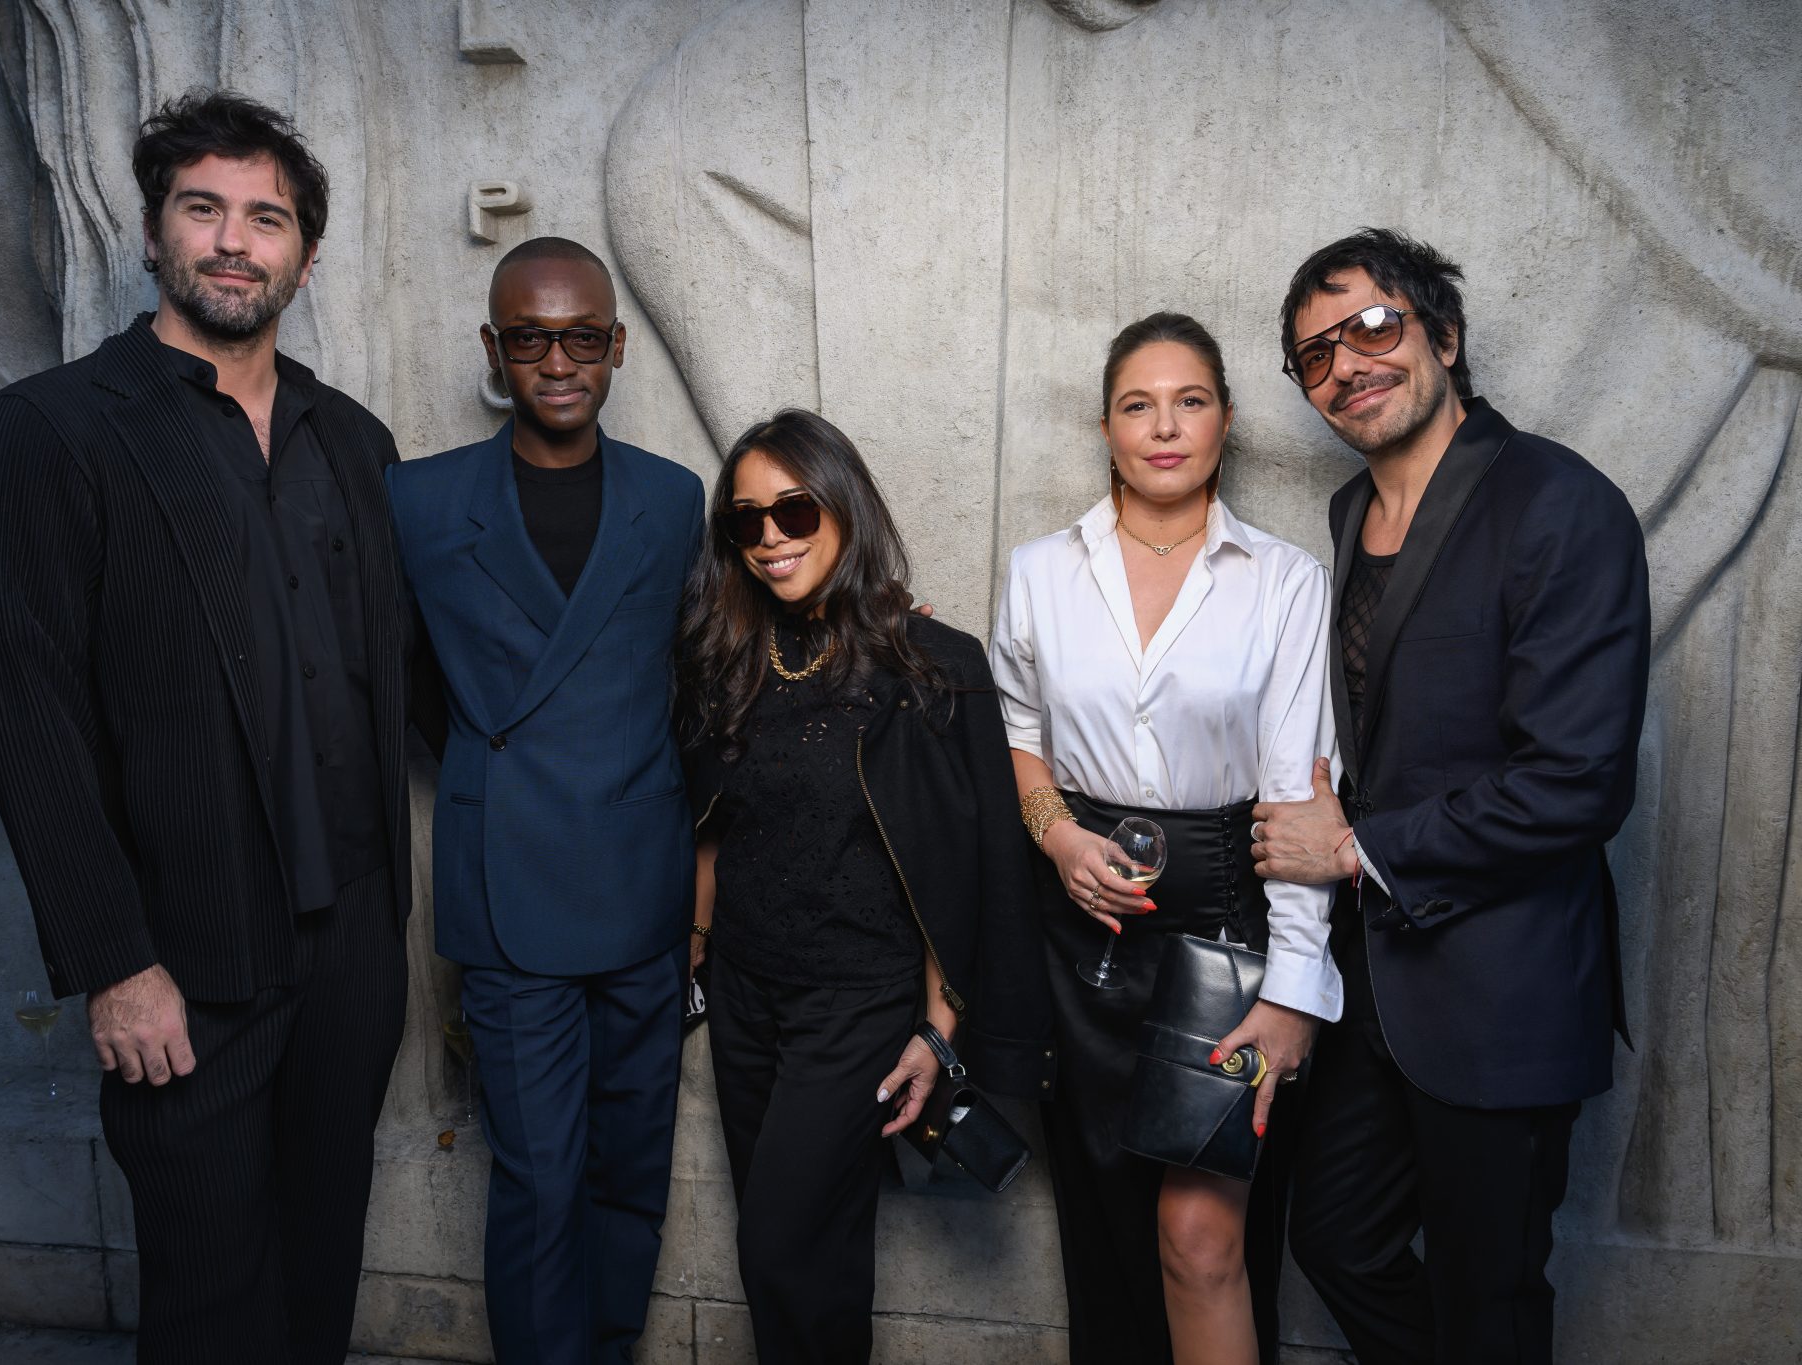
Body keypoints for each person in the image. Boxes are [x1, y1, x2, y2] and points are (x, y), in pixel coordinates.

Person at [0, 92, 410, 1363]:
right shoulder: (52, 432)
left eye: (266, 219)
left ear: (303, 259)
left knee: (319, 1279)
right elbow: (26, 715)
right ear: (154, 234)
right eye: (202, 208)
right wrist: (114, 960)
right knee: (210, 1308)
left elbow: (416, 677)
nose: (233, 241)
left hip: (353, 951)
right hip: (181, 965)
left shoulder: (356, 443)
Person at [1253, 228, 1649, 1365]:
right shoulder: (1348, 515)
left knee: (1489, 1295)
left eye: (1371, 325)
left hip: (1503, 988)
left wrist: (1349, 850)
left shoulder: (1557, 503)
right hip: (1377, 985)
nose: (1346, 364)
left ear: (1443, 335)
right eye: (1314, 354)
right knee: (1333, 1240)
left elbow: (1575, 782)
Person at [991, 314, 1342, 1365]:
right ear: (1104, 426)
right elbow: (1016, 735)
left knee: (1197, 1238)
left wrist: (1289, 993)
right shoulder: (1038, 571)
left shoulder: (1281, 578)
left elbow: (1298, 798)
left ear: (1224, 422)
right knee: (1101, 1224)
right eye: (1137, 404)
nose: (1163, 427)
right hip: (1080, 942)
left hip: (1226, 937)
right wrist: (1054, 838)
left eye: (1188, 401)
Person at [676, 408, 1051, 1364]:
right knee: (811, 1255)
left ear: (843, 507)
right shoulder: (729, 658)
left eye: (793, 512)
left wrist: (940, 1024)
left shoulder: (935, 666)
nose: (768, 539)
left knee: (779, 1240)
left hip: (859, 1001)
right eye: (745, 522)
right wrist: (697, 953)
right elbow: (720, 824)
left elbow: (971, 865)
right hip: (749, 995)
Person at [385, 237, 702, 1365]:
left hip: (641, 884)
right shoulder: (418, 501)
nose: (556, 360)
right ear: (493, 349)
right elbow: (405, 678)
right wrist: (492, 762)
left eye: (580, 337)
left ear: (615, 348)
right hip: (507, 880)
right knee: (535, 1176)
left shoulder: (673, 502)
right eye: (530, 338)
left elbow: (690, 680)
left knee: (629, 1166)